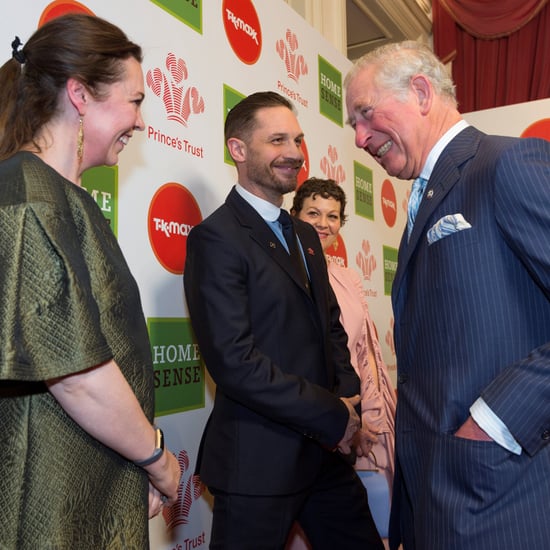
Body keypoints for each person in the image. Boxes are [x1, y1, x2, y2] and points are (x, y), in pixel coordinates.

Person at [345, 40, 550, 550]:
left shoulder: (508, 163)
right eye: (352, 123)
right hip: (434, 498)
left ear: (420, 91)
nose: (358, 137)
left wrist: (495, 420)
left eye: (365, 114)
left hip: (499, 496)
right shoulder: (430, 192)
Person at [0, 14, 181, 549]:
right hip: (48, 497)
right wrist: (156, 458)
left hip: (89, 479)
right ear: (80, 95)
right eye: (135, 100)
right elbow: (74, 371)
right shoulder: (27, 193)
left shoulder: (63, 196)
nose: (141, 122)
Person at [184, 91, 384, 550]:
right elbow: (235, 363)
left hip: (325, 456)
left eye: (296, 139)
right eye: (277, 140)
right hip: (259, 462)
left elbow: (330, 327)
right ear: (238, 149)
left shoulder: (305, 236)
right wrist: (334, 414)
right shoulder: (215, 238)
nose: (294, 153)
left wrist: (348, 396)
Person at [288, 178, 397, 549]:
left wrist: (367, 419)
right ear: (294, 215)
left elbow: (366, 357)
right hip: (296, 428)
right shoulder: (280, 272)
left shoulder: (347, 277)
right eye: (313, 213)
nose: (323, 223)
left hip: (345, 427)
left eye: (332, 216)